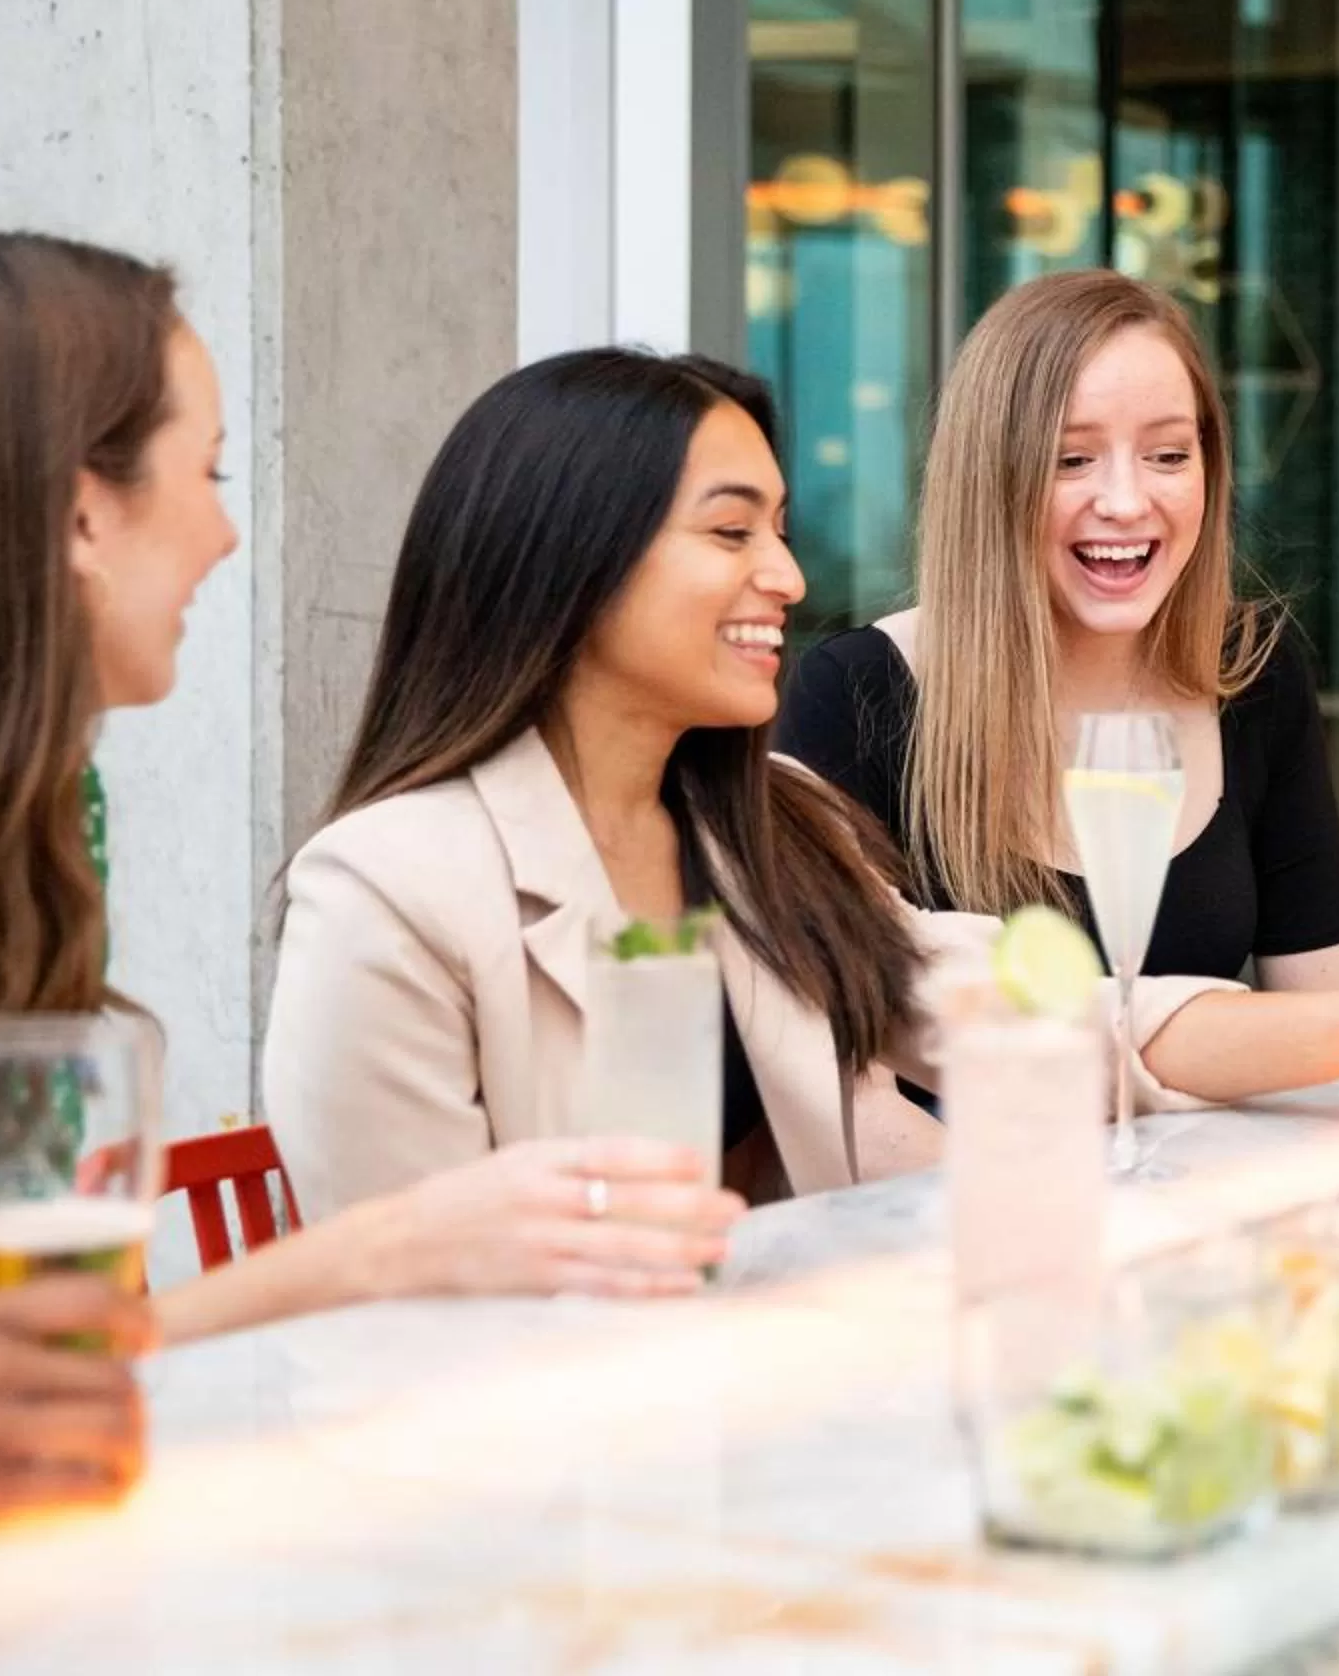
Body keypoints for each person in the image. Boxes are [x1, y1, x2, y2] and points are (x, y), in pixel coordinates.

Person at [0, 236, 737, 1546]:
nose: (230, 531)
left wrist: (401, 1245)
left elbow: (57, 1369)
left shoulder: (47, 807)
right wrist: (387, 1248)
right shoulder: (395, 871)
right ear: (80, 515)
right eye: (211, 471)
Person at [266, 351, 948, 1221]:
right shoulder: (386, 889)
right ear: (572, 556)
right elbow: (415, 1294)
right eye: (732, 533)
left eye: (780, 530)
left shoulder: (773, 822)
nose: (788, 578)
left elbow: (980, 996)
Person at [781, 270, 1339, 993]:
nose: (1125, 502)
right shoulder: (856, 693)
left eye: (1170, 455)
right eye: (1072, 459)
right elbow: (834, 1064)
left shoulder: (1251, 673)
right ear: (992, 479)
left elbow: (1326, 1021)